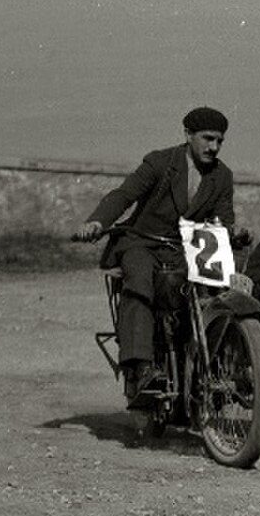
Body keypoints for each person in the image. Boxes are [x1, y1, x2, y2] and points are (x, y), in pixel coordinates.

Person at [73, 106, 249, 405]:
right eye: (207, 138)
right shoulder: (161, 162)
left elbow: (223, 219)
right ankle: (140, 366)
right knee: (139, 282)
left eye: (220, 141)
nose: (214, 147)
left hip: (186, 249)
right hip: (143, 243)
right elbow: (123, 195)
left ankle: (226, 366)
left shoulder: (222, 176)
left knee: (218, 292)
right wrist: (97, 222)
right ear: (188, 135)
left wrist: (234, 232)